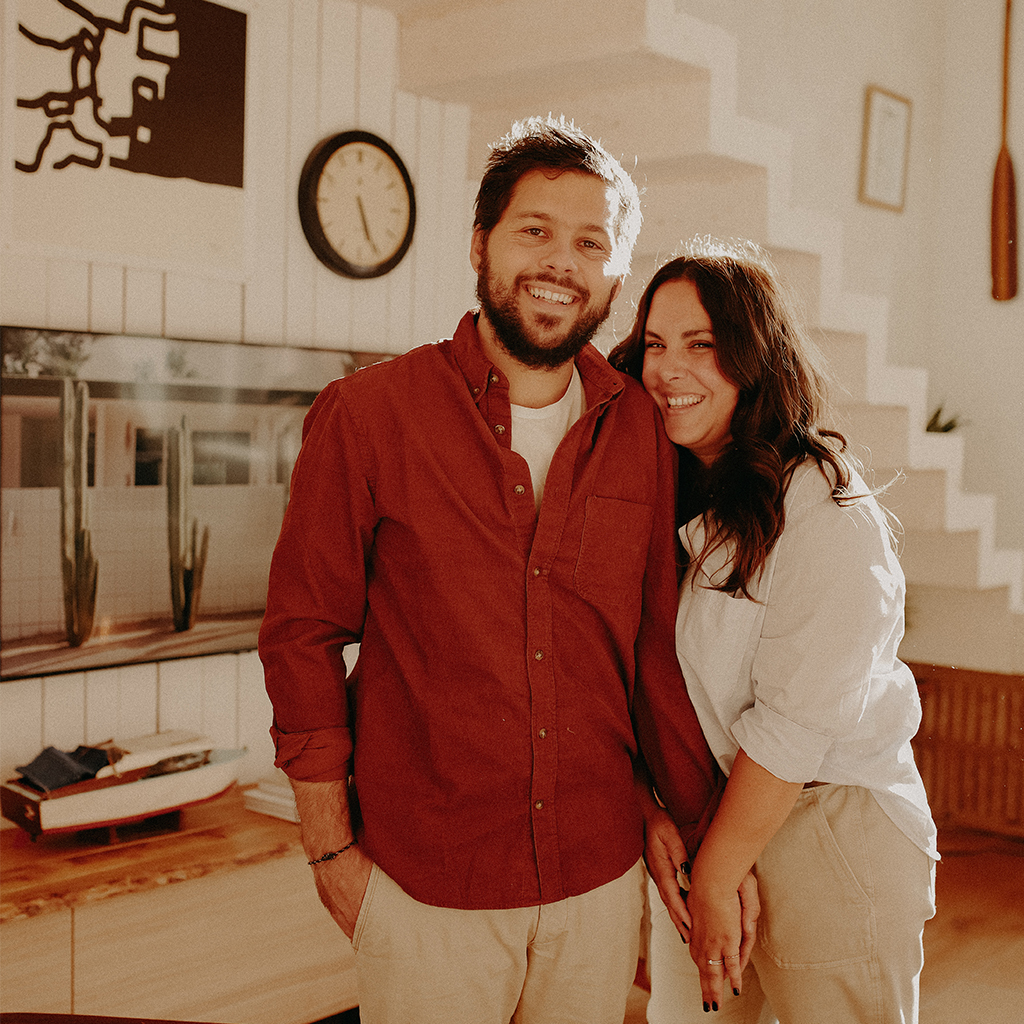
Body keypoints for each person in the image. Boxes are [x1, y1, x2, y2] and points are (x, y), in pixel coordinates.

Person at [258, 117, 723, 1024]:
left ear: (615, 276)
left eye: (590, 242)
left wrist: (693, 830)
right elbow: (301, 636)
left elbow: (653, 655)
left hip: (596, 883)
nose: (560, 261)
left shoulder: (643, 430)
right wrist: (328, 854)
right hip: (426, 889)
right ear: (481, 244)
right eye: (534, 231)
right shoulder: (368, 416)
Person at [609, 239, 939, 1023]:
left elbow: (793, 728)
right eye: (655, 345)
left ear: (755, 357)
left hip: (830, 831)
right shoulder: (664, 489)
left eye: (702, 344)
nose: (668, 369)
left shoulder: (825, 513)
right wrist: (652, 811)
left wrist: (719, 874)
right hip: (708, 821)